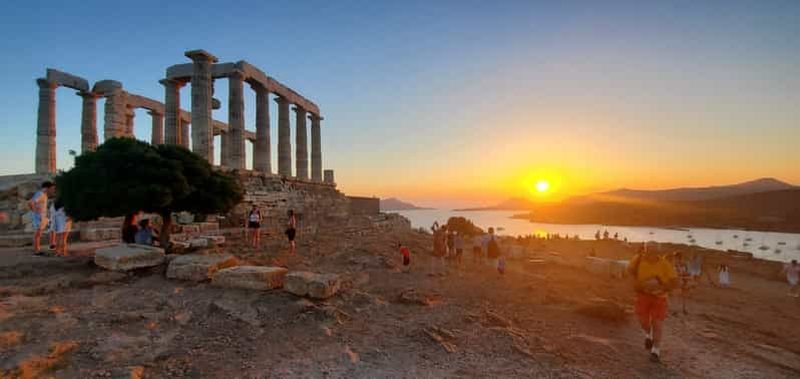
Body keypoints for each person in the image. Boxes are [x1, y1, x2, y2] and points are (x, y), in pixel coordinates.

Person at [628, 243, 678, 363]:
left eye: (654, 251)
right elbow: (630, 272)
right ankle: (648, 334)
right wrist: (638, 285)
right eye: (649, 250)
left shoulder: (665, 264)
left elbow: (674, 281)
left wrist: (662, 288)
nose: (651, 253)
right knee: (643, 321)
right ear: (645, 250)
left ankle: (656, 351)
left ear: (658, 252)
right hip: (642, 295)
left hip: (659, 298)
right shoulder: (638, 259)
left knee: (657, 323)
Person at [28, 181, 55, 256]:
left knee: (52, 227)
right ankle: (37, 251)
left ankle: (52, 244)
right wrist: (36, 212)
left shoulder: (44, 195)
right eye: (52, 188)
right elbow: (30, 202)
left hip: (43, 217)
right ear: (47, 188)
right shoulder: (40, 194)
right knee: (38, 234)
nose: (53, 190)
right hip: (39, 218)